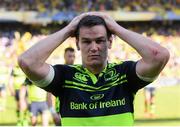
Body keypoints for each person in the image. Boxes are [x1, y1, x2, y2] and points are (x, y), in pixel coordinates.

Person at [18, 12, 170, 126]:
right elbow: (27, 61)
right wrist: (68, 29)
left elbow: (159, 56)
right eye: (86, 41)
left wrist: (116, 28)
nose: (94, 47)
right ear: (77, 44)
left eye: (100, 40)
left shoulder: (123, 74)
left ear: (110, 42)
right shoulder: (65, 77)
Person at [47, 47, 75, 126]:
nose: (72, 59)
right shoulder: (59, 72)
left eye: (73, 56)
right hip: (60, 114)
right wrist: (53, 113)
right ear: (64, 56)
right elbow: (49, 96)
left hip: (75, 114)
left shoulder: (78, 72)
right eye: (70, 56)